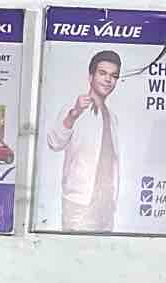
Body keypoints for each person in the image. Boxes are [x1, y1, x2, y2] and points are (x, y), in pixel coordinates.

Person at [46, 50, 121, 231]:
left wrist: (112, 201)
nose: (108, 80)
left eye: (113, 76)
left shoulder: (112, 118)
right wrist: (74, 114)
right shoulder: (74, 108)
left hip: (106, 207)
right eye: (102, 73)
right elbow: (54, 143)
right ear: (90, 77)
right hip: (79, 204)